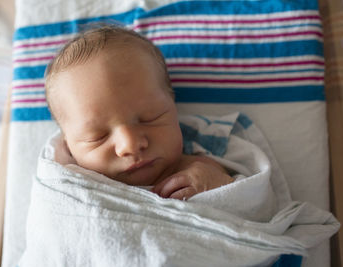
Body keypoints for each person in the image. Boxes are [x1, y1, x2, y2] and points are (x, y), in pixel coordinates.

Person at [44, 25, 234, 200]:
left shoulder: (207, 159)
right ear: (68, 147)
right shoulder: (65, 182)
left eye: (150, 118)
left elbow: (257, 201)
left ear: (172, 104)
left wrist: (221, 185)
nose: (130, 145)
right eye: (97, 136)